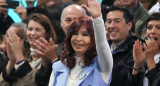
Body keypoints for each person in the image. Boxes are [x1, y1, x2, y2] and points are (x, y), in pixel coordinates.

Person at [48, 0, 113, 86]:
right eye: (74, 33)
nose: (78, 39)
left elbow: (102, 45)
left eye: (85, 34)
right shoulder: (58, 66)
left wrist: (97, 18)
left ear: (94, 38)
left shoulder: (102, 65)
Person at [0, 13, 57, 86]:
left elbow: (33, 83)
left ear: (46, 33)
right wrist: (12, 61)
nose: (32, 33)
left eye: (37, 30)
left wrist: (19, 58)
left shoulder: (48, 58)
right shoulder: (23, 53)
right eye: (30, 29)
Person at [105, 6, 138, 86]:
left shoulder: (137, 49)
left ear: (129, 25)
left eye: (117, 21)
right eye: (109, 22)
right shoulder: (101, 47)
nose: (112, 26)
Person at [130, 12, 160, 86]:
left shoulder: (149, 56)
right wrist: (138, 65)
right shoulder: (146, 54)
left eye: (159, 27)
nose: (152, 31)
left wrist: (150, 59)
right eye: (149, 27)